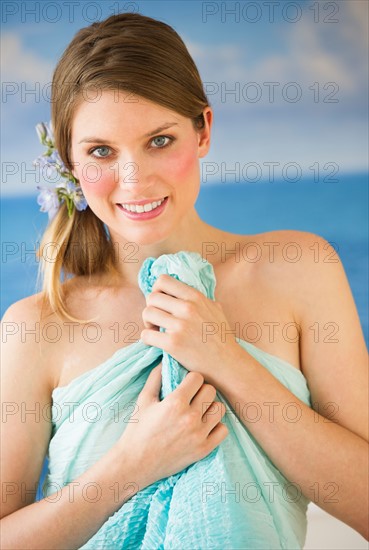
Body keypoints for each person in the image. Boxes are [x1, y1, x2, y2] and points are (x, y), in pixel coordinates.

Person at [1, 11, 368, 549]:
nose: (134, 179)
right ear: (70, 163)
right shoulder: (37, 326)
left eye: (159, 140)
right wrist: (132, 464)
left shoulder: (300, 268)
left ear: (204, 131)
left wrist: (227, 360)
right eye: (102, 151)